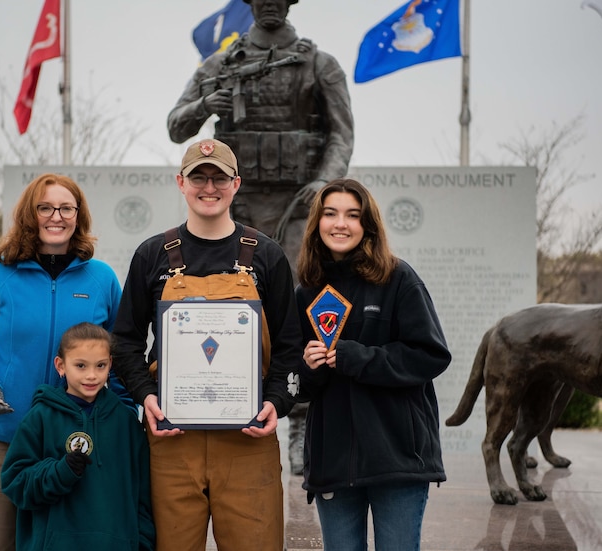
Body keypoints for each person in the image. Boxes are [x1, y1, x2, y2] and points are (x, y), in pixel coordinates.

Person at [168, 0, 354, 474]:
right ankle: (224, 401)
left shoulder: (319, 63)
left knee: (298, 307)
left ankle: (301, 425)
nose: (269, 4)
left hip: (299, 204)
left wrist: (325, 182)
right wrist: (205, 105)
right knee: (229, 306)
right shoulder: (220, 64)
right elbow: (177, 126)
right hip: (238, 204)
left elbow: (341, 134)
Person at [111, 138, 303, 550]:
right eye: (199, 177)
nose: (209, 187)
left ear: (237, 184)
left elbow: (291, 346)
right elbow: (124, 341)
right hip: (171, 440)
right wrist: (145, 396)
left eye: (220, 178)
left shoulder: (266, 256)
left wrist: (276, 403)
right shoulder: (152, 255)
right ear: (181, 183)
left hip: (249, 438)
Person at [0, 173, 131, 551]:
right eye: (44, 207)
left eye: (66, 208)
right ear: (29, 215)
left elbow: (122, 358)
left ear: (79, 215)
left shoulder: (102, 279)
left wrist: (126, 420)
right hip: (2, 438)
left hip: (76, 444)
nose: (55, 216)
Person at [295, 178, 451, 550]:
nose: (340, 223)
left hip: (396, 458)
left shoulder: (398, 278)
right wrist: (309, 367)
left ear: (368, 225)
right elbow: (300, 385)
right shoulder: (306, 291)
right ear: (317, 223)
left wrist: (356, 357)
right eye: (330, 214)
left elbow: (431, 354)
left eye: (353, 215)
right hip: (333, 463)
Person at [1, 322, 154, 551]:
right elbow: (15, 483)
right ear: (60, 366)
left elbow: (142, 496)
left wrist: (143, 544)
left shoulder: (126, 422)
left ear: (110, 364)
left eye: (100, 366)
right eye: (80, 366)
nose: (91, 375)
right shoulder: (40, 417)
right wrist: (59, 472)